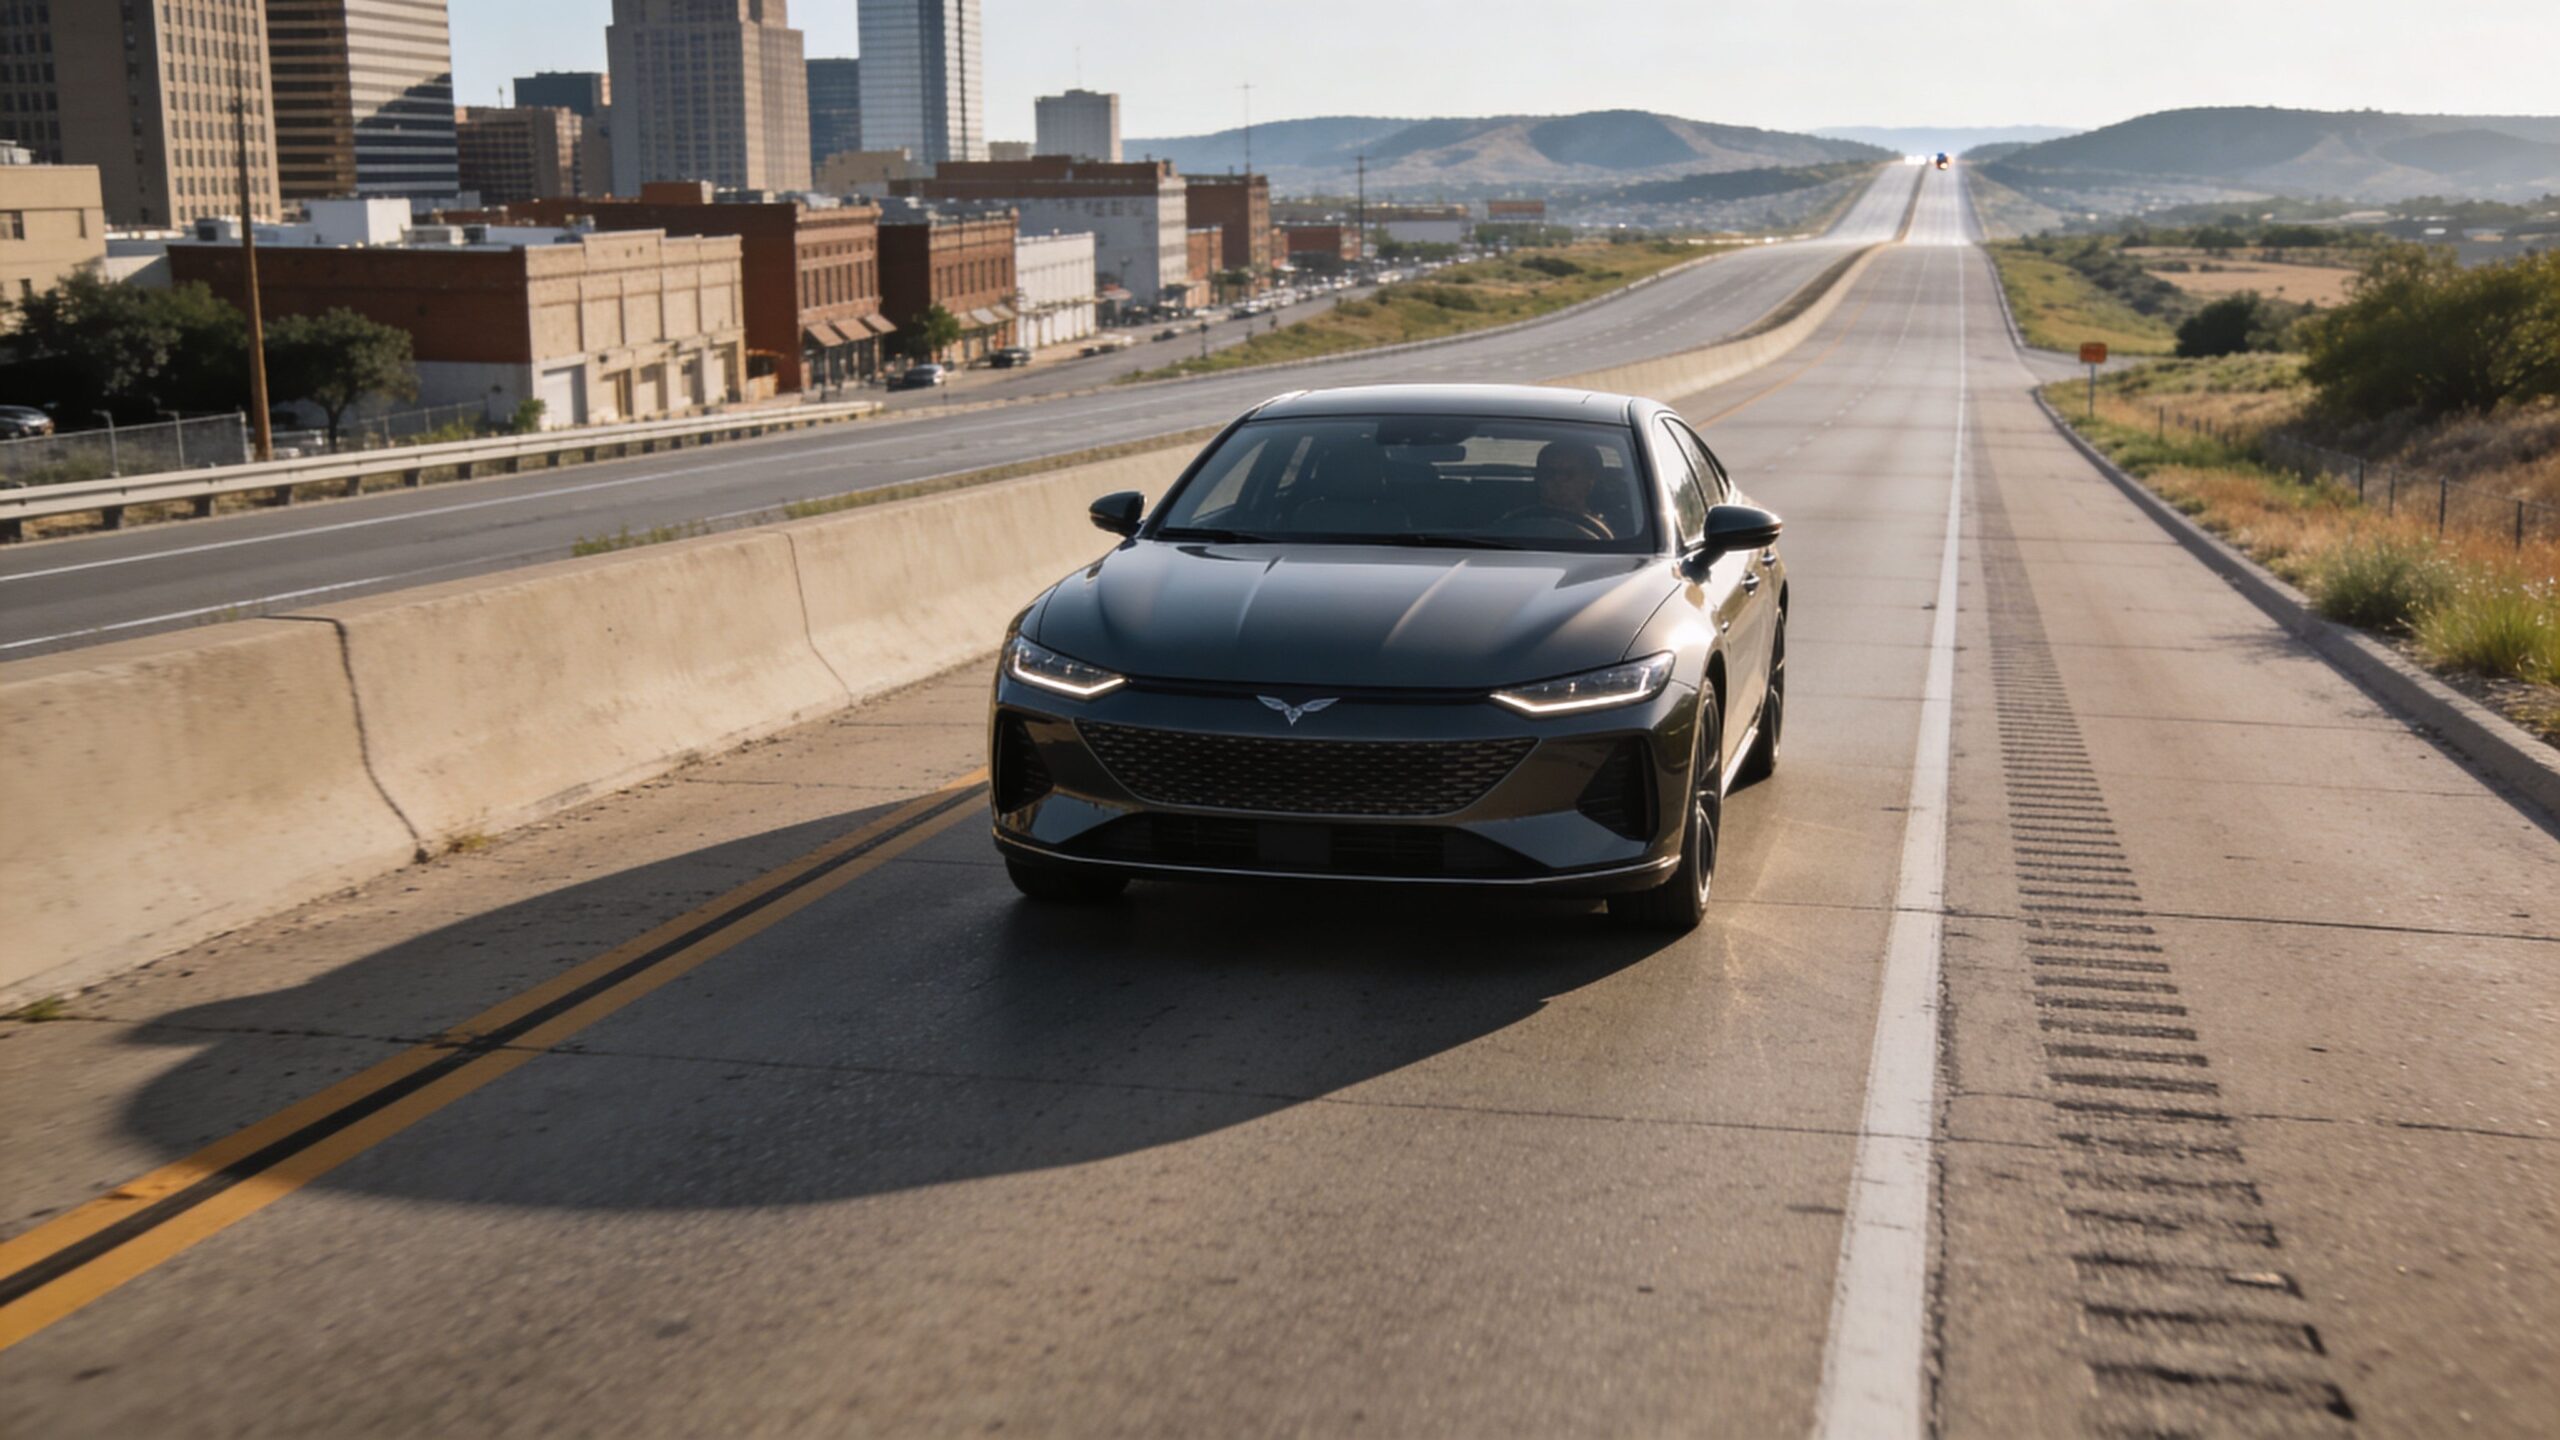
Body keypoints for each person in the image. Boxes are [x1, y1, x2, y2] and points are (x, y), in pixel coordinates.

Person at [1512, 437, 1614, 536]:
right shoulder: (1513, 523)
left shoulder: (1618, 532)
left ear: (1591, 479)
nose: (1557, 480)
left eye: (1569, 473)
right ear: (1539, 478)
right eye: (1549, 473)